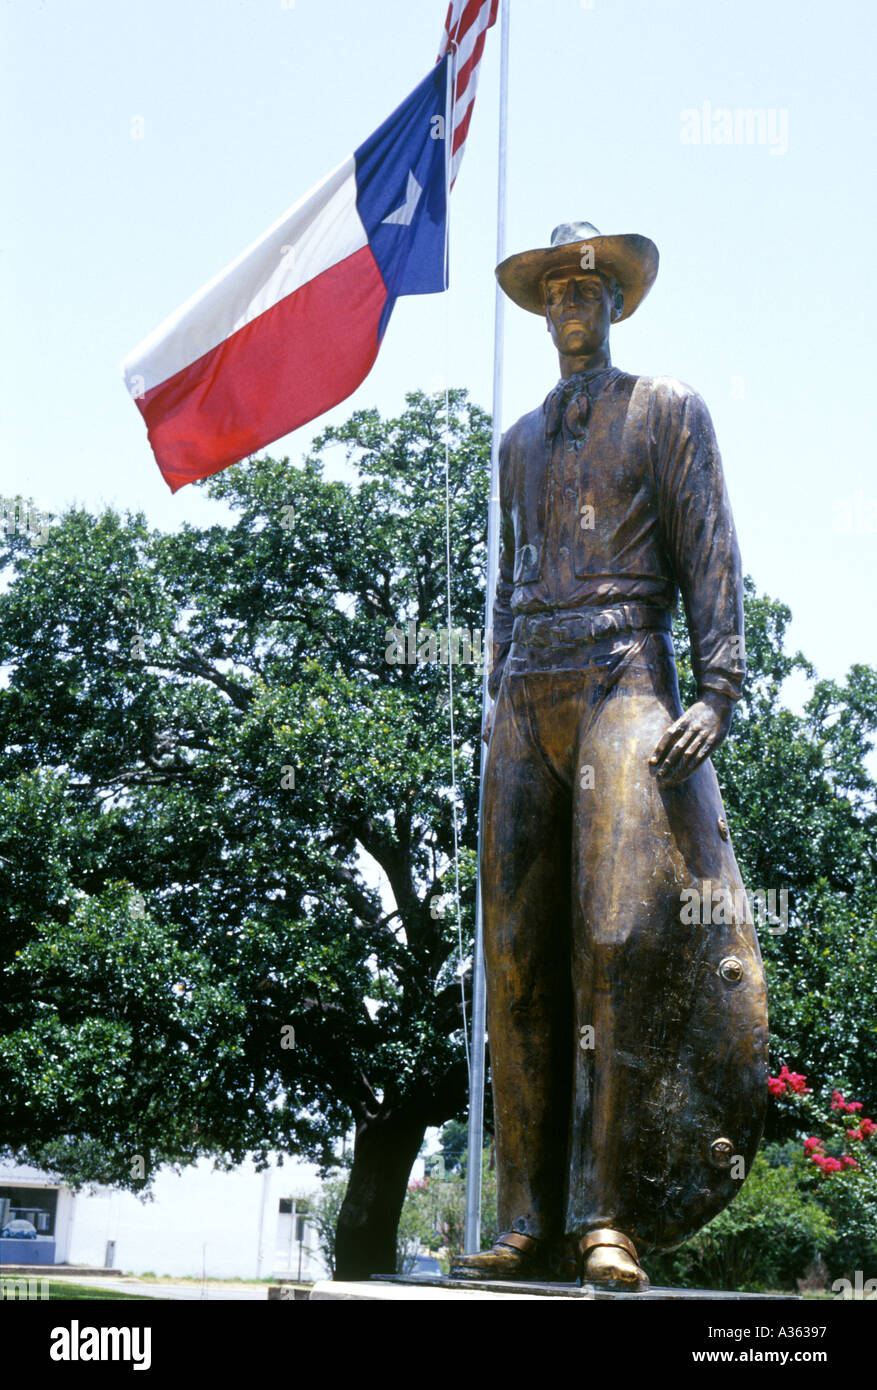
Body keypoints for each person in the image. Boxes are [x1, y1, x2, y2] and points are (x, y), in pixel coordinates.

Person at [451, 223, 768, 1290]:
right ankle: (523, 1216)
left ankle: (606, 1213)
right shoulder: (516, 446)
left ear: (614, 303)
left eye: (586, 286)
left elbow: (710, 548)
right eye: (554, 289)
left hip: (625, 672)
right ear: (542, 310)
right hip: (526, 685)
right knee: (514, 949)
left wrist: (718, 687)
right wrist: (494, 689)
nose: (569, 302)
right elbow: (507, 581)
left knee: (617, 929)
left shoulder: (667, 410)